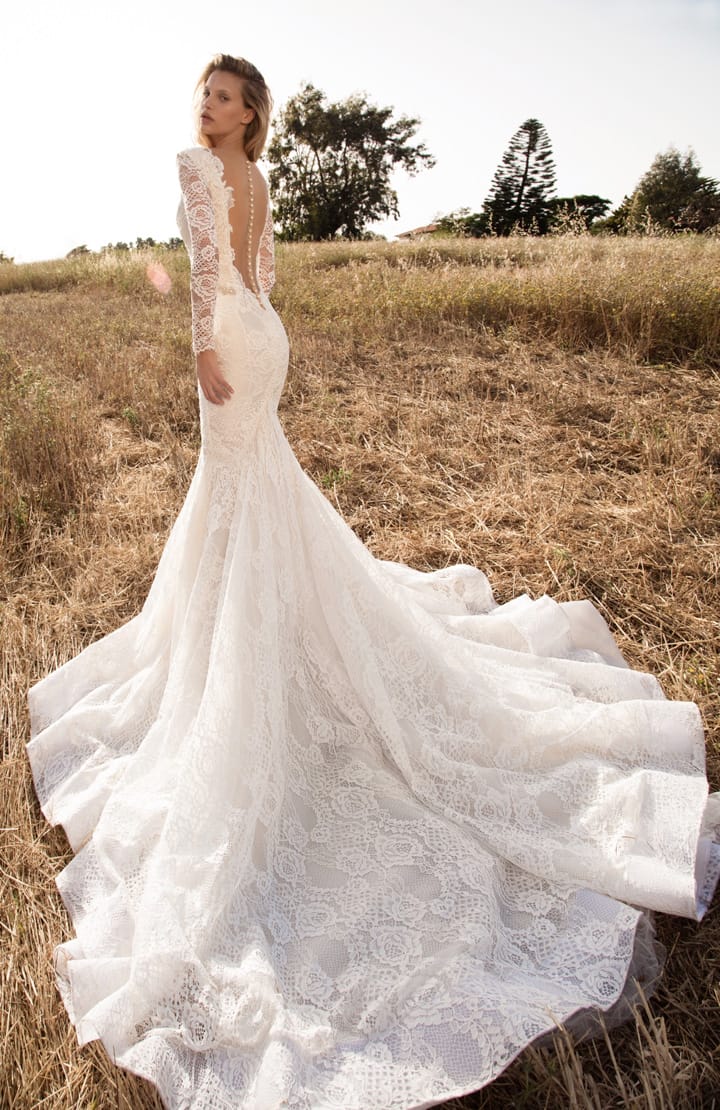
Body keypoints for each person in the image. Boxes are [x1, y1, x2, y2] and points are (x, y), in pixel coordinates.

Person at [26, 52, 719, 1110]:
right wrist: (245, 339)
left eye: (223, 97)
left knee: (239, 493)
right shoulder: (255, 173)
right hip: (268, 343)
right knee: (249, 499)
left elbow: (216, 277)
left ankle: (247, 649)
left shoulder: (199, 166)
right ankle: (246, 631)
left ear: (251, 113)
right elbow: (264, 277)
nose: (205, 108)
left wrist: (207, 351)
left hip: (232, 347)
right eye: (203, 94)